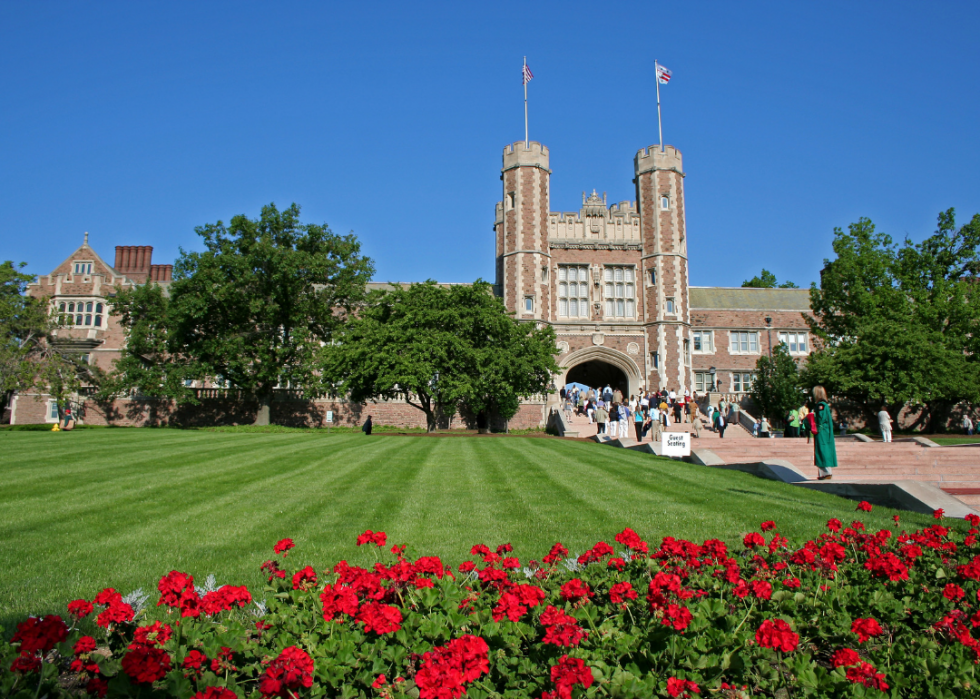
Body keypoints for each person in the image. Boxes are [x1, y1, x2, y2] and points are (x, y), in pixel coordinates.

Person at [813, 385, 837, 480]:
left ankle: (826, 472)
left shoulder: (820, 405)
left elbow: (820, 419)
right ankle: (823, 473)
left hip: (822, 431)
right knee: (823, 450)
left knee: (823, 450)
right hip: (825, 431)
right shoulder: (824, 404)